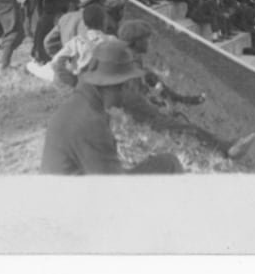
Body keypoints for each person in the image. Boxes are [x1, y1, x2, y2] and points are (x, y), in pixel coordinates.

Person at [115, 19, 255, 162]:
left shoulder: (131, 60)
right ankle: (228, 150)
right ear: (136, 41)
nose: (148, 43)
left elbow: (142, 92)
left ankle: (227, 145)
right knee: (190, 129)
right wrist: (156, 110)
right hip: (144, 118)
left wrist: (159, 102)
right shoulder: (129, 65)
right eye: (145, 39)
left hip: (144, 112)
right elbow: (131, 100)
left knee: (184, 122)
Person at [40, 40, 183, 175]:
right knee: (169, 164)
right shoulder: (91, 122)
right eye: (122, 87)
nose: (122, 96)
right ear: (108, 85)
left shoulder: (80, 102)